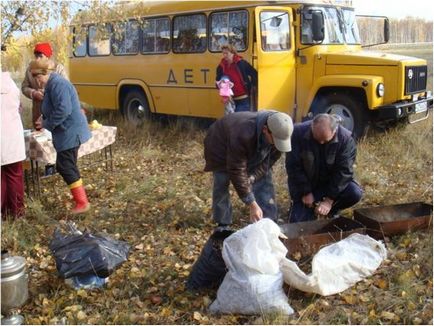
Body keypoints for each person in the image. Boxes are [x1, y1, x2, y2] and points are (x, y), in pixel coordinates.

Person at [204, 110, 294, 228]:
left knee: (265, 179)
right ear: (265, 130)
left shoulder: (281, 131)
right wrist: (251, 203)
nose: (277, 144)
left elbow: (268, 163)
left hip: (246, 144)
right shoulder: (243, 134)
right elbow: (236, 169)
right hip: (219, 145)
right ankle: (223, 223)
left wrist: (253, 176)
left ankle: (268, 220)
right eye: (275, 140)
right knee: (222, 181)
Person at [29, 57, 91, 214]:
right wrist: (43, 118)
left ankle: (82, 203)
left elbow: (64, 110)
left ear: (45, 73)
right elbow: (54, 107)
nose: (37, 81)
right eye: (35, 78)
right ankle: (81, 199)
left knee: (64, 166)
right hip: (66, 132)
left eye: (38, 77)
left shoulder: (58, 84)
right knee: (68, 165)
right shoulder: (52, 85)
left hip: (70, 132)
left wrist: (46, 124)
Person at [285, 114, 363, 223]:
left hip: (330, 185)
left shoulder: (345, 140)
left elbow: (344, 172)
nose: (320, 143)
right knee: (297, 221)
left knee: (354, 193)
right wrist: (305, 192)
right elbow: (293, 167)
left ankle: (331, 210)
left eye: (325, 141)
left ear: (335, 130)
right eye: (317, 139)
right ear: (312, 126)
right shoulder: (298, 133)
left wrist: (329, 200)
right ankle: (309, 209)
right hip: (307, 185)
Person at [21, 42, 67, 130]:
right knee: (40, 139)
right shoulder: (31, 69)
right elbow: (24, 87)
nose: (38, 59)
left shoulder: (58, 68)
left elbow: (65, 89)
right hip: (38, 111)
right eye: (36, 56)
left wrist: (48, 94)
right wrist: (33, 93)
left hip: (55, 112)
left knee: (55, 137)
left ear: (48, 57)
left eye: (41, 56)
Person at [1, 71, 26, 218]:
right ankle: (17, 213)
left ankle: (4, 213)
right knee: (14, 176)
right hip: (12, 136)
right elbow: (18, 107)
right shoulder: (10, 84)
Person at [216, 44, 257, 112]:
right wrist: (222, 86)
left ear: (233, 53)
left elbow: (254, 74)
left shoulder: (241, 63)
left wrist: (252, 86)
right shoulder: (221, 66)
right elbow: (217, 83)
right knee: (233, 122)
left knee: (241, 120)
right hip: (230, 101)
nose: (224, 55)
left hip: (243, 99)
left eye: (226, 53)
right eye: (223, 53)